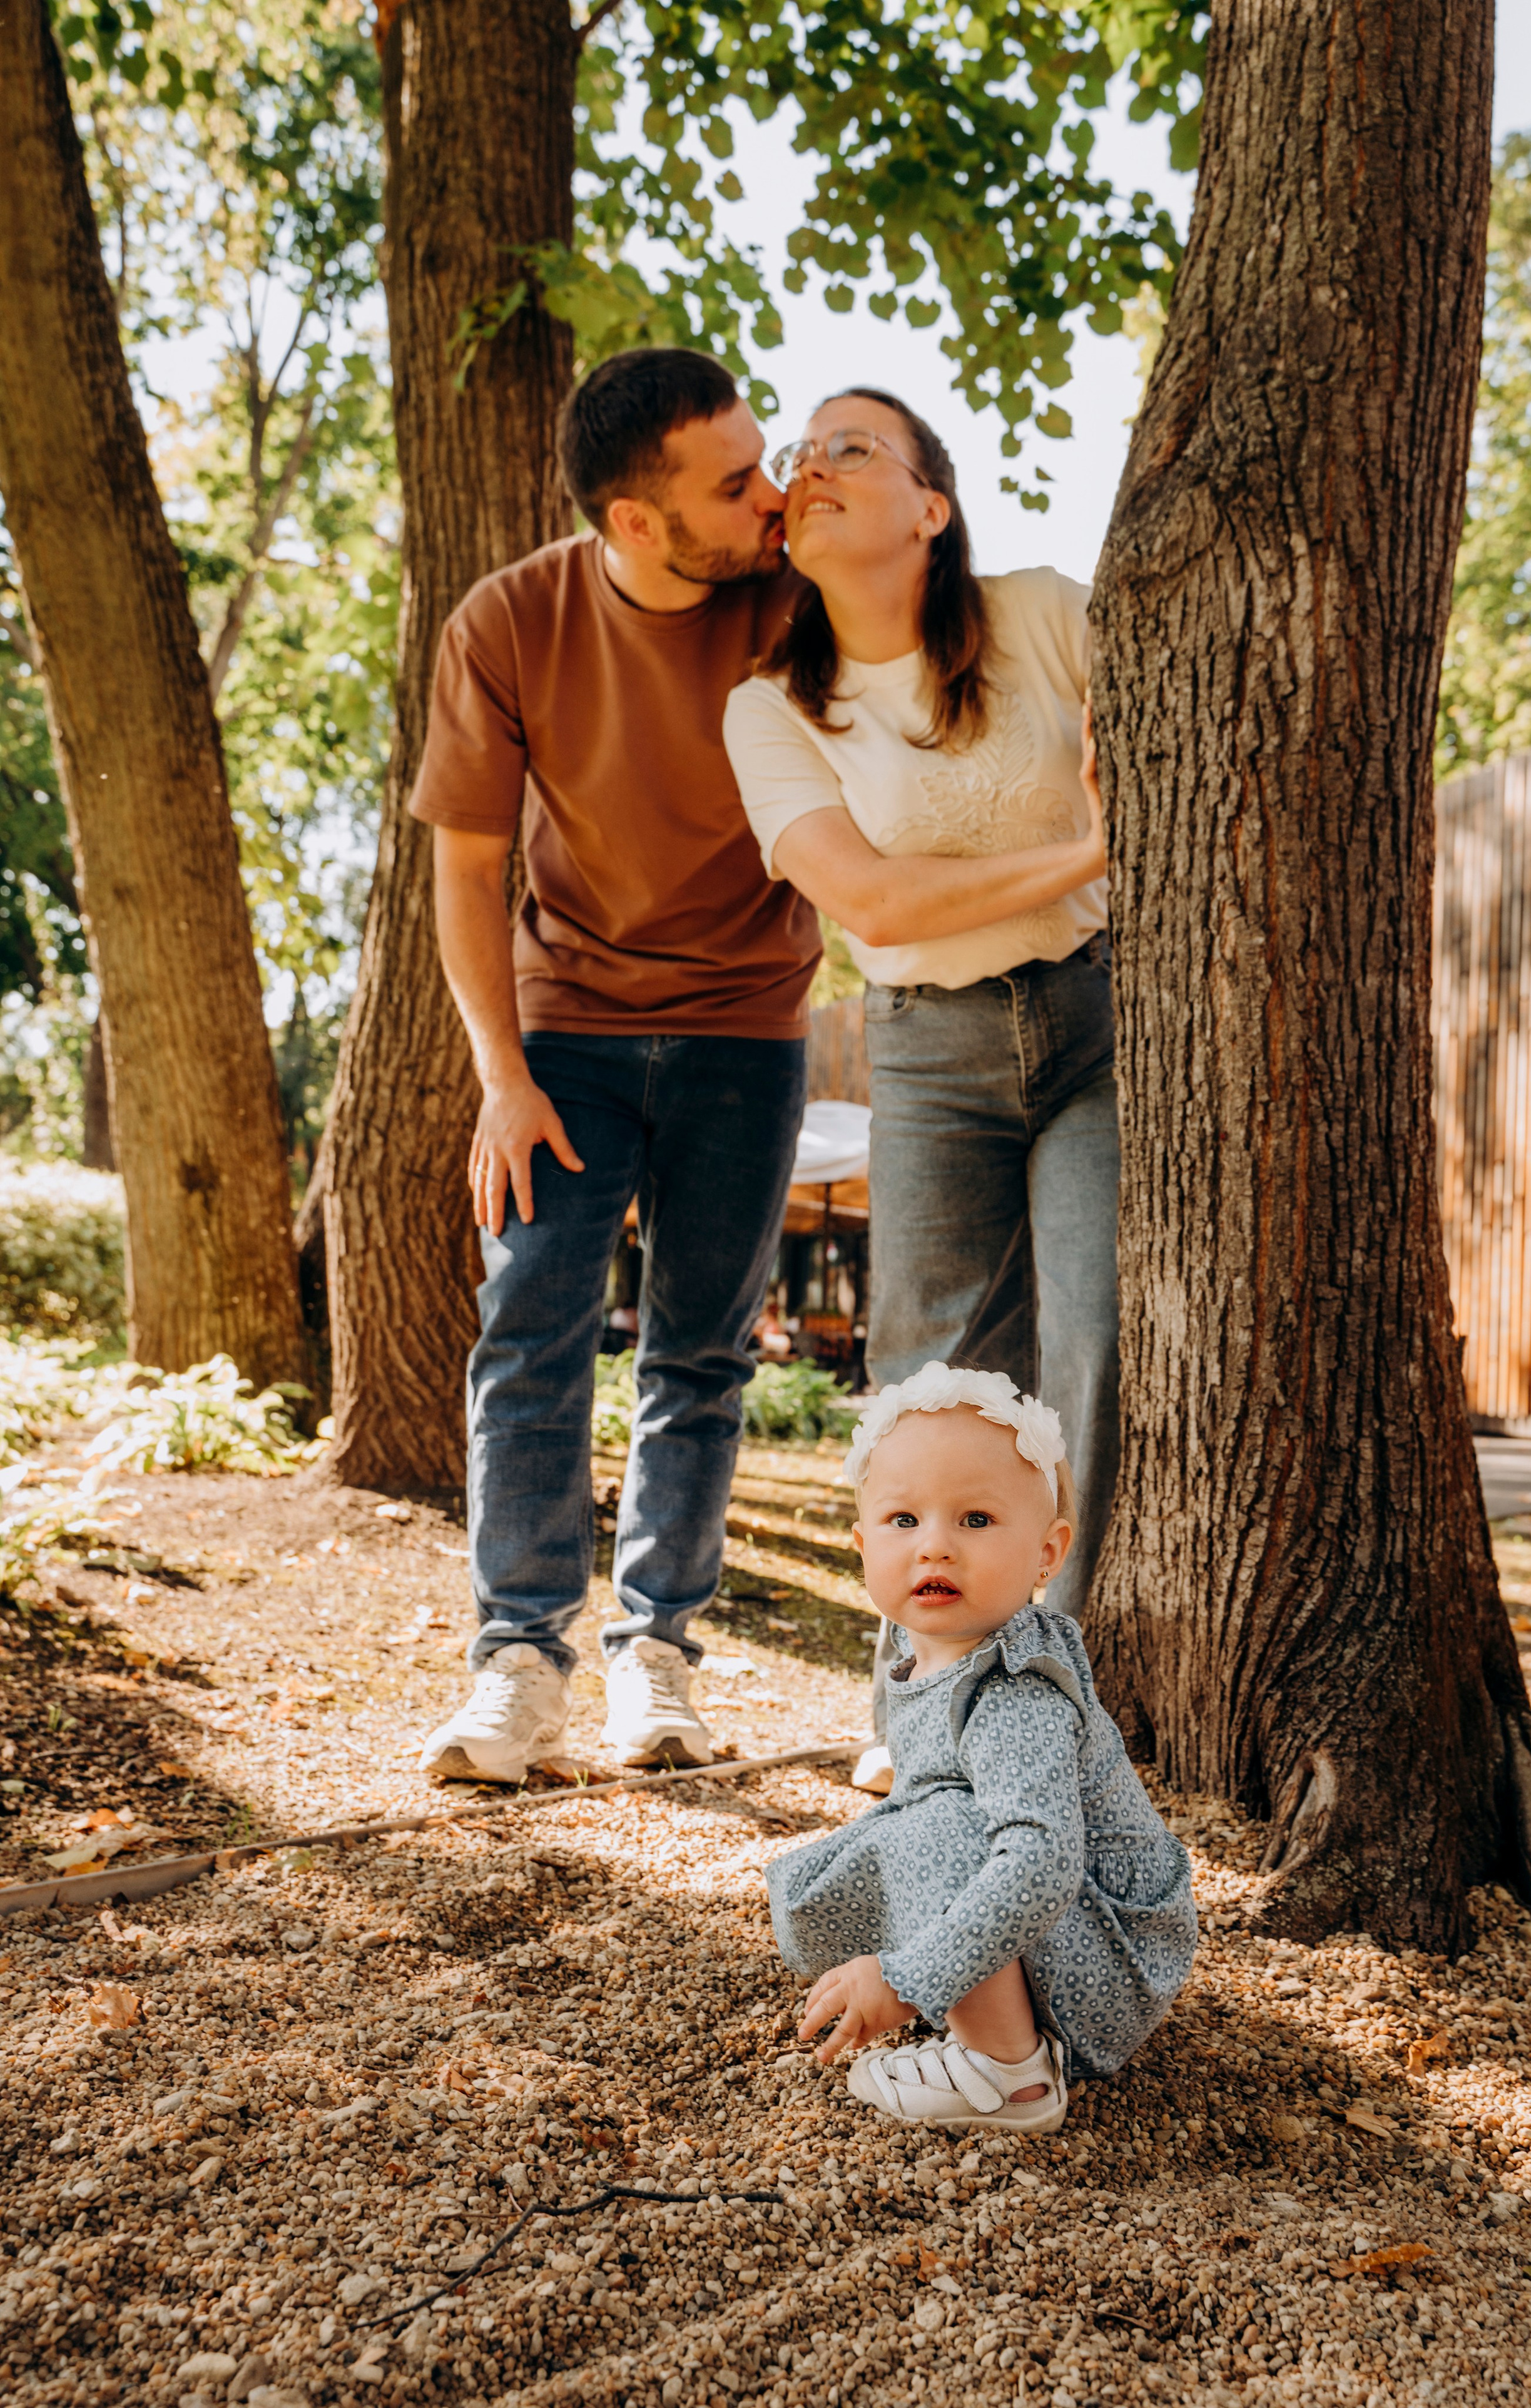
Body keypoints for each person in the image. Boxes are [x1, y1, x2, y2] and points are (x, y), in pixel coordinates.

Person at [412, 347, 820, 1783]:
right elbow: (465, 870)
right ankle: (517, 1662)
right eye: (733, 480)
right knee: (527, 1334)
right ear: (636, 520)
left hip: (748, 1026)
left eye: (762, 460)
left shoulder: (791, 599)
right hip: (564, 1031)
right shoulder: (511, 621)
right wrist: (499, 1073)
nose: (767, 495)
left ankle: (658, 1659)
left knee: (698, 1351)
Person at [722, 389, 1114, 1792]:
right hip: (928, 1044)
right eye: (797, 455)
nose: (808, 469)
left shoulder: (1042, 615)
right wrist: (1083, 850)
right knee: (926, 1374)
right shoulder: (770, 710)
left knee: (1089, 1348)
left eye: (850, 447)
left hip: (1093, 1020)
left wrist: (1087, 868)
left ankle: (1040, 1691)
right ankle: (917, 1694)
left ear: (930, 507)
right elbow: (874, 904)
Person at [766, 1363, 1196, 2131]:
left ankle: (1011, 2073)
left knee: (937, 1830)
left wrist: (909, 1977)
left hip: (1110, 1957)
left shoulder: (1013, 1687)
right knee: (884, 1841)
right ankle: (981, 2002)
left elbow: (1042, 1861)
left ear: (1047, 1552)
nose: (935, 1547)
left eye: (975, 1520)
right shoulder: (918, 1637)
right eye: (904, 1520)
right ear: (862, 1544)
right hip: (1068, 1931)